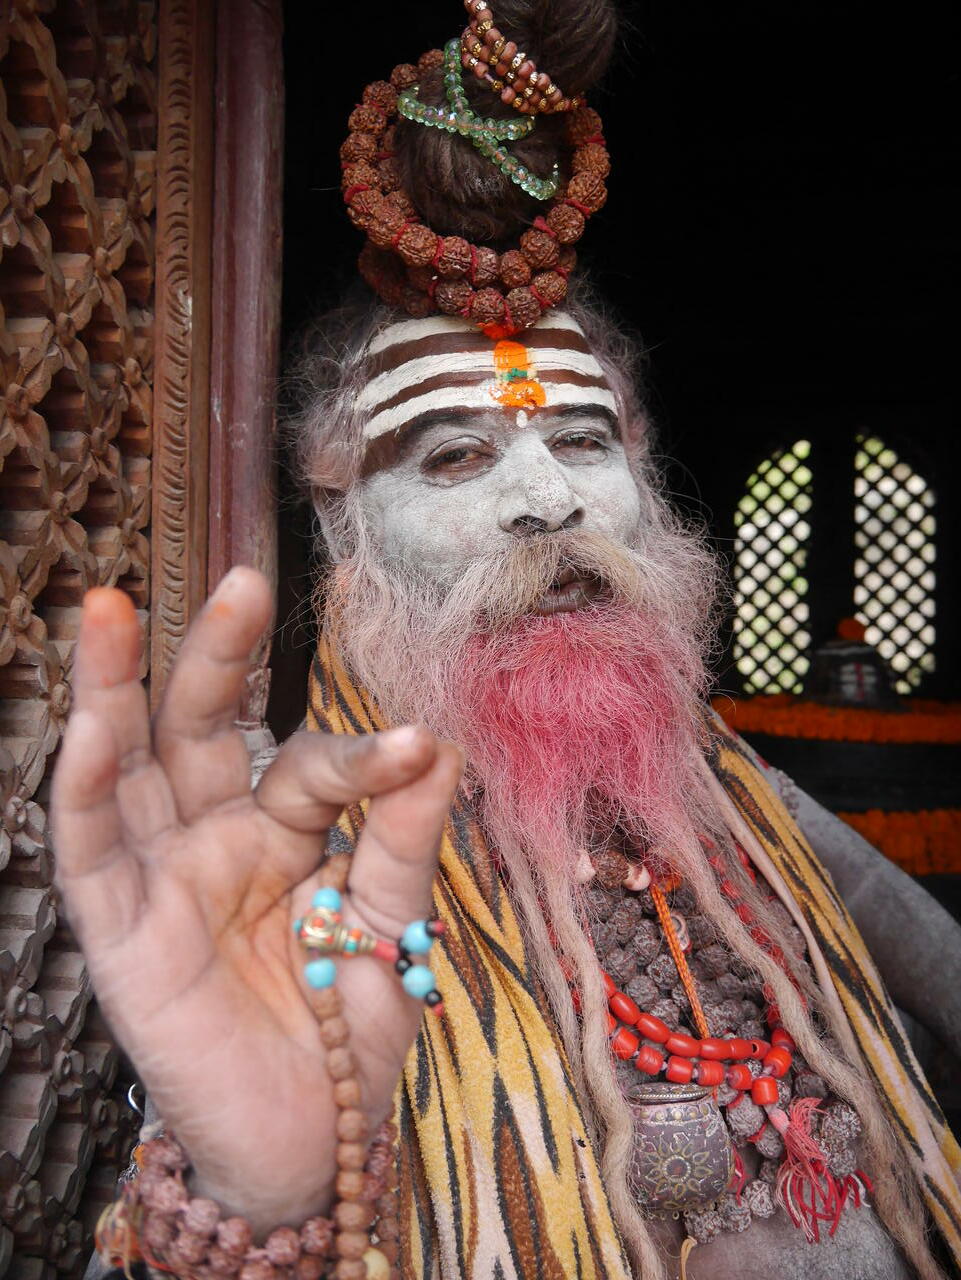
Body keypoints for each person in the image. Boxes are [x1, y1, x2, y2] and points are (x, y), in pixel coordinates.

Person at [62, 3, 961, 1278]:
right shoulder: (291, 855)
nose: (546, 498)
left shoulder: (730, 793)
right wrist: (254, 1192)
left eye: (582, 443)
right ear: (347, 526)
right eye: (455, 457)